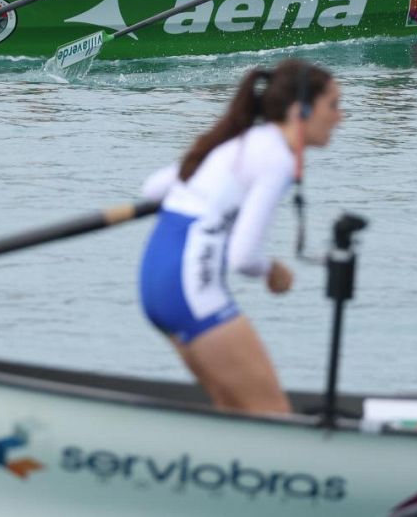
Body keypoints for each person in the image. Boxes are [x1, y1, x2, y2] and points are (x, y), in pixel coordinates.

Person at [138, 59, 342, 415]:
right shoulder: (276, 157)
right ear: (301, 110)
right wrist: (273, 271)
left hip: (157, 280)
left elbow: (153, 190)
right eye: (334, 105)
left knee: (233, 411)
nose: (340, 117)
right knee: (273, 416)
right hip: (193, 290)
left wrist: (209, 202)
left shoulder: (235, 143)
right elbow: (243, 256)